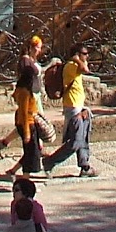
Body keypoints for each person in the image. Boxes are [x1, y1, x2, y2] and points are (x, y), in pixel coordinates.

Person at [44, 46, 96, 176]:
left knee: (83, 138)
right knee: (75, 142)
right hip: (73, 108)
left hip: (79, 107)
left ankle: (85, 167)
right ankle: (50, 162)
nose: (87, 56)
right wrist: (77, 60)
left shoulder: (73, 66)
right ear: (77, 55)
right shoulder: (71, 66)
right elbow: (86, 69)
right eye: (84, 54)